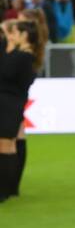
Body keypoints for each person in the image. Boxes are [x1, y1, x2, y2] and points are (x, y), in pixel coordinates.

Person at [0, 20, 39, 200]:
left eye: (14, 32)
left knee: (7, 144)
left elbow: (7, 72)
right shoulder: (19, 55)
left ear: (23, 35)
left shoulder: (24, 56)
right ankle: (8, 188)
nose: (11, 35)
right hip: (9, 101)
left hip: (11, 103)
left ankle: (5, 190)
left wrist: (8, 43)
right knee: (8, 144)